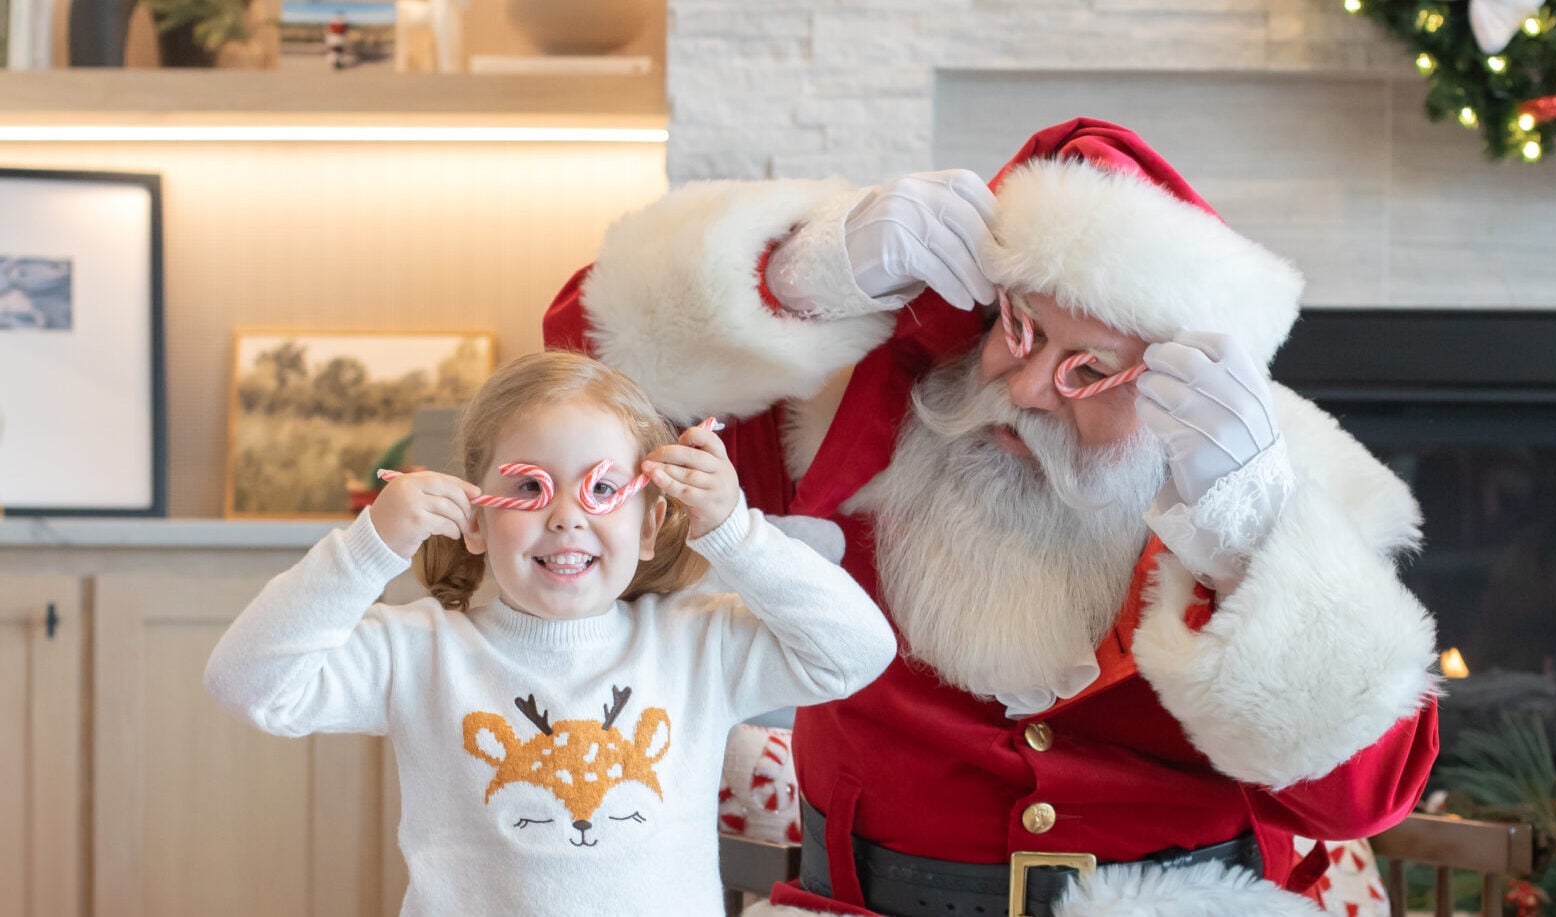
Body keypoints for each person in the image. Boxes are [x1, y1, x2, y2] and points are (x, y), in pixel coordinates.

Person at [543, 117, 1442, 916]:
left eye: (1091, 369)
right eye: (1020, 328)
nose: (1028, 389)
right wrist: (795, 277)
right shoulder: (846, 431)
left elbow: (1361, 800)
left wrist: (1249, 545)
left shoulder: (1275, 490)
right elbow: (582, 388)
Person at [203, 350, 896, 915]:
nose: (566, 516)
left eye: (602, 489)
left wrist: (734, 532)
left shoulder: (698, 646)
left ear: (650, 523)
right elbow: (248, 684)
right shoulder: (420, 652)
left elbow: (858, 652)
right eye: (530, 488)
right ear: (476, 520)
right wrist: (368, 548)